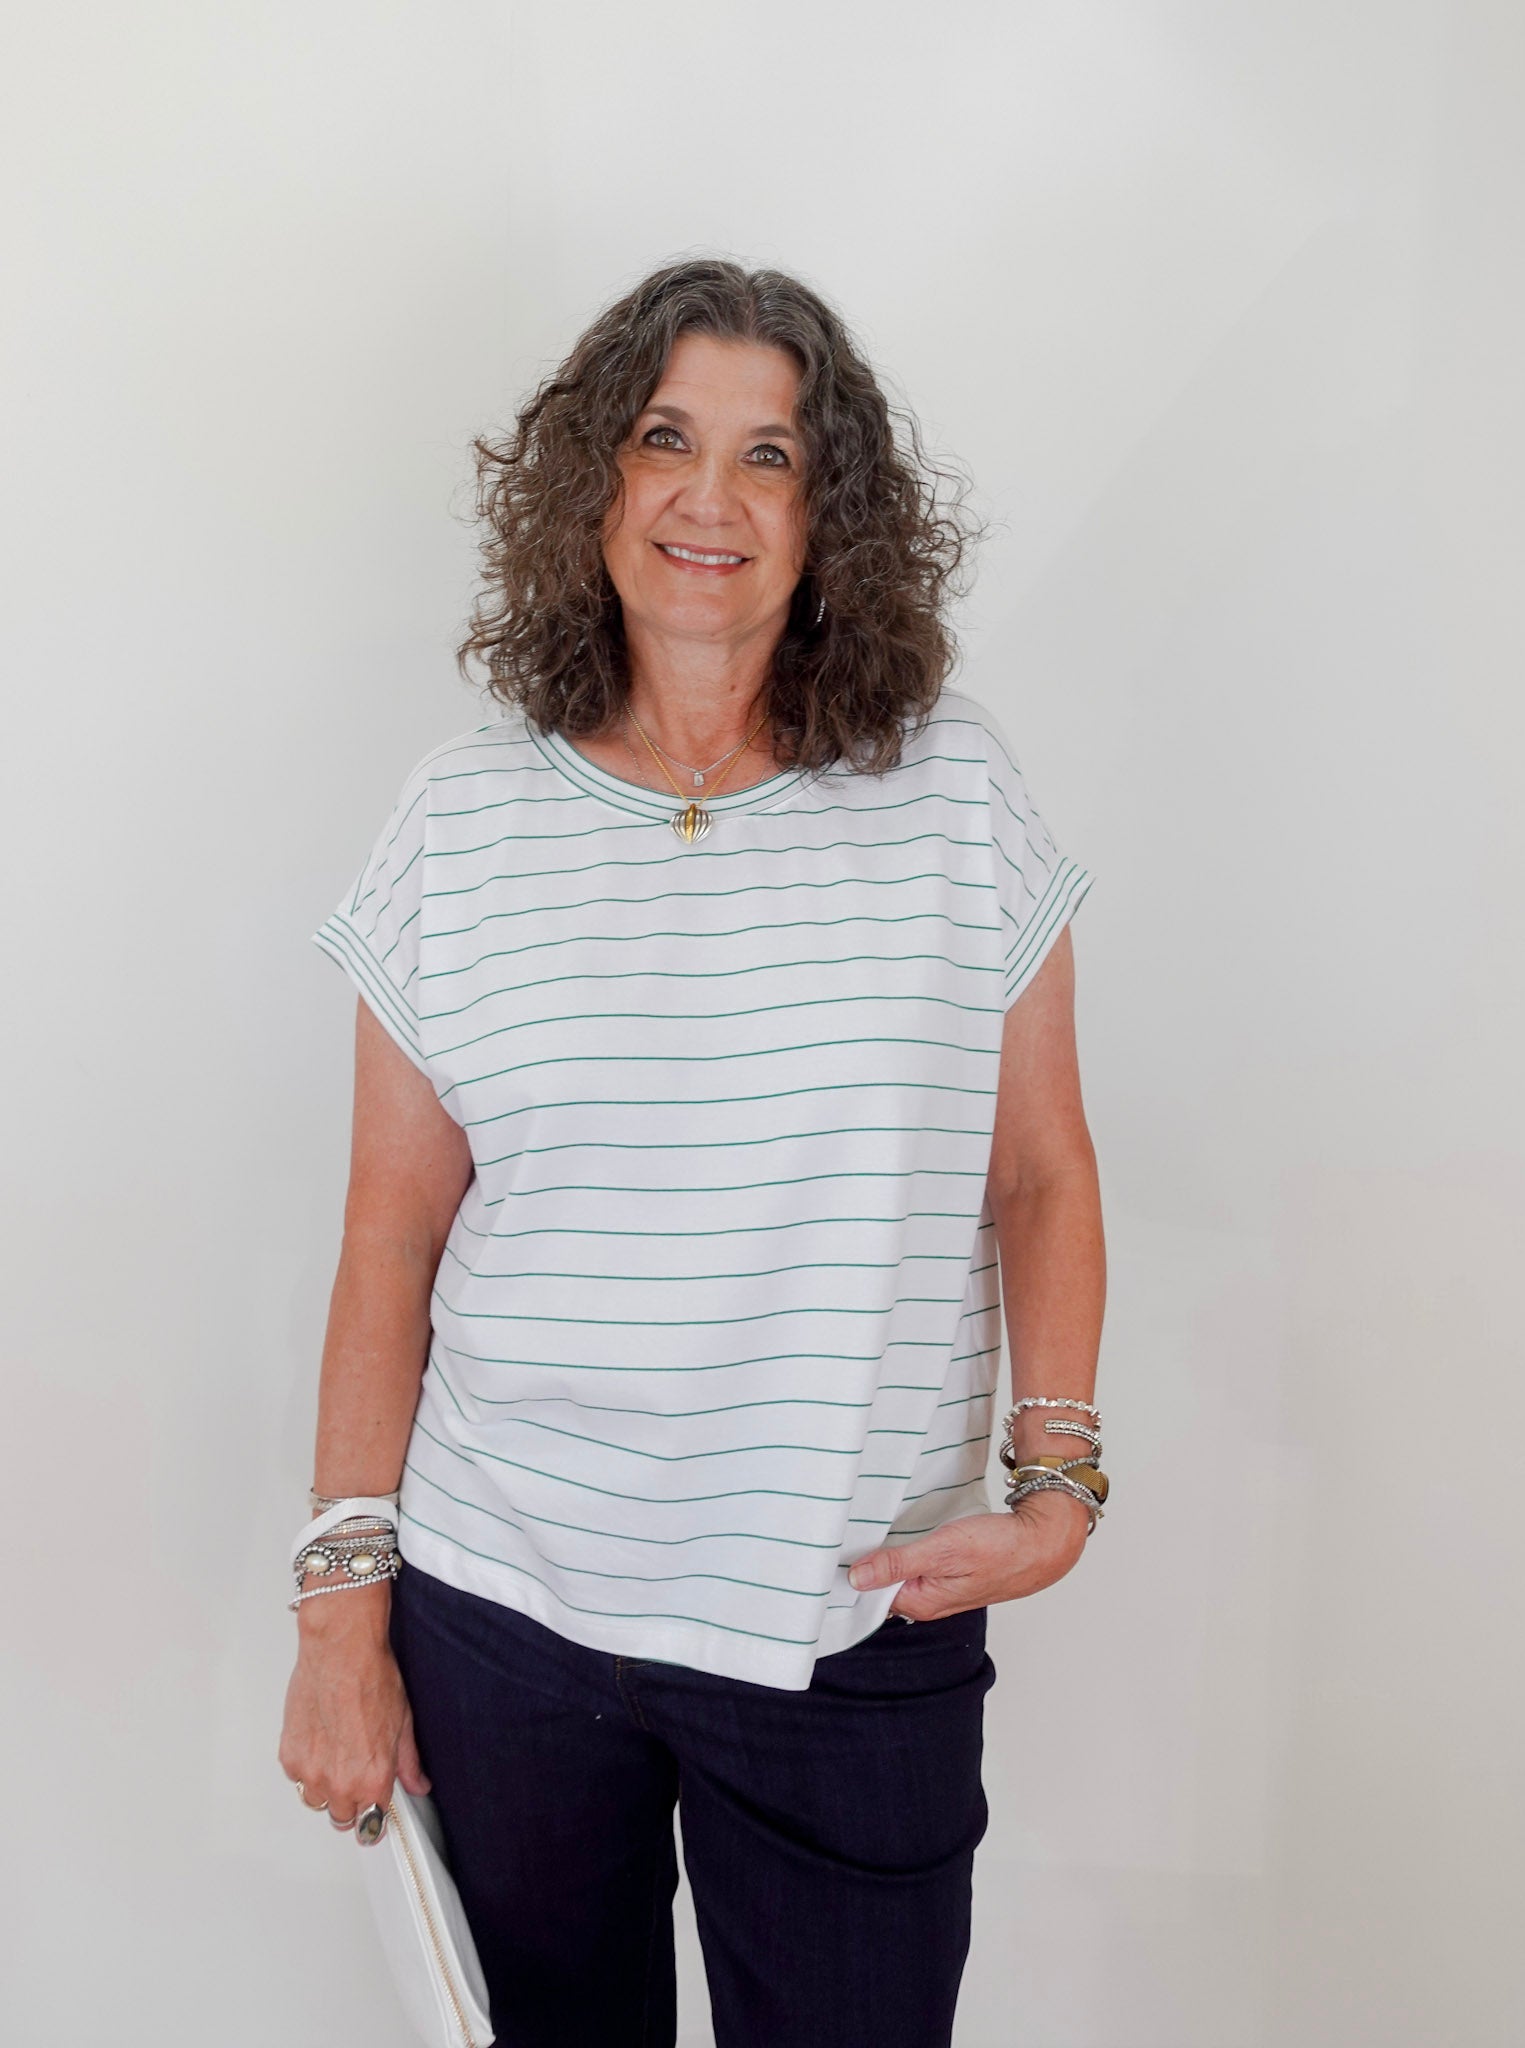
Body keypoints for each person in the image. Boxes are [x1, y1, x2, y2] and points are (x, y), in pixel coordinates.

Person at [278, 257, 1106, 2048]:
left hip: (853, 1616)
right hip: (505, 1614)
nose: (708, 498)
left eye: (770, 455)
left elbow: (1039, 1169)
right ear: (597, 482)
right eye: (666, 440)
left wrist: (1062, 1481)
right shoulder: (464, 818)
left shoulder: (951, 791)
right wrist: (341, 1610)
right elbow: (391, 1234)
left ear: (832, 518)